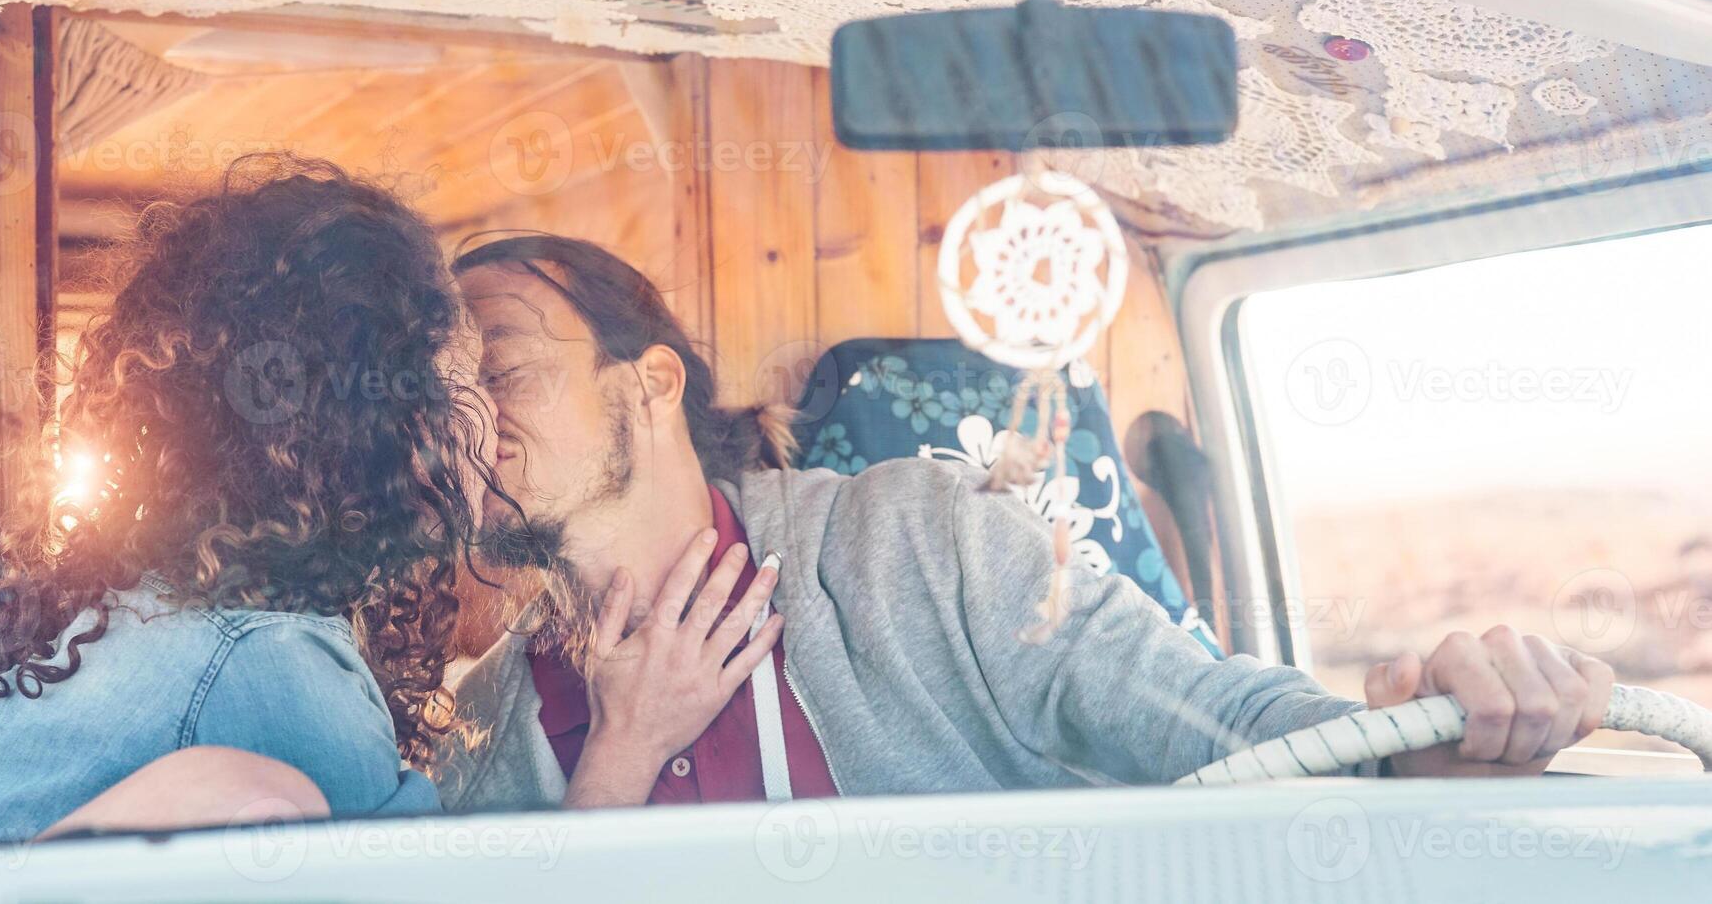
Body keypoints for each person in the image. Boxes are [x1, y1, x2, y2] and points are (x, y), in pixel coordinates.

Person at [436, 234, 1616, 810]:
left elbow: (1216, 718)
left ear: (648, 383)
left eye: (504, 367)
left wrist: (1424, 736)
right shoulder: (484, 720)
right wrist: (614, 759)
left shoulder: (924, 542)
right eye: (445, 392)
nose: (468, 416)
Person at [0, 158, 706, 850]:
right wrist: (626, 749)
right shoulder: (267, 657)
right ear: (384, 417)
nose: (487, 414)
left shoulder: (171, 609)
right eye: (464, 373)